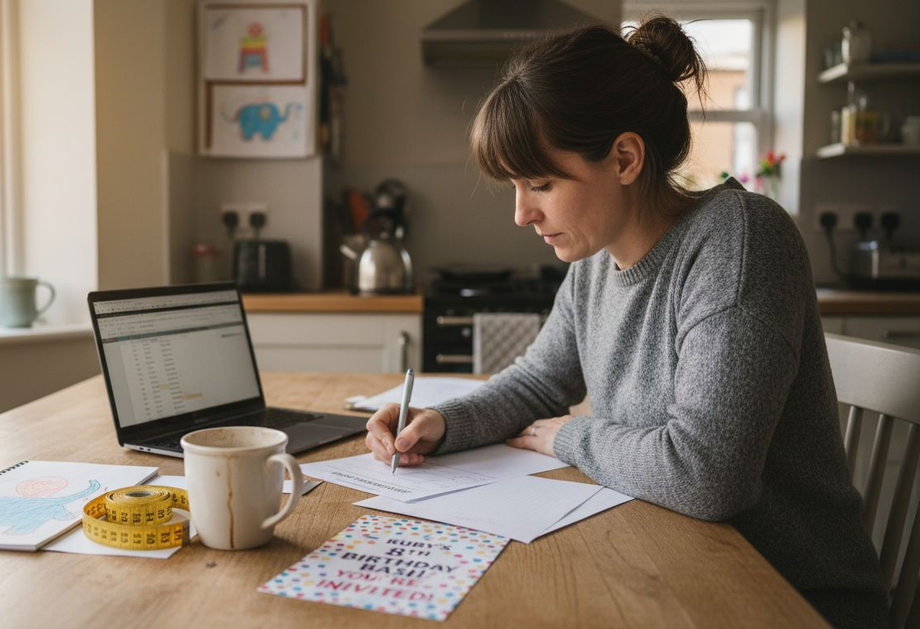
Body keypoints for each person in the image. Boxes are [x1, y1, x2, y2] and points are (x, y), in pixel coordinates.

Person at [362, 16, 887, 629]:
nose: (521, 213)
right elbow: (537, 384)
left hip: (786, 600)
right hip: (667, 570)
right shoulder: (596, 258)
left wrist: (569, 436)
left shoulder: (738, 243)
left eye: (540, 183)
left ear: (625, 158)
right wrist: (444, 422)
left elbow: (707, 476)